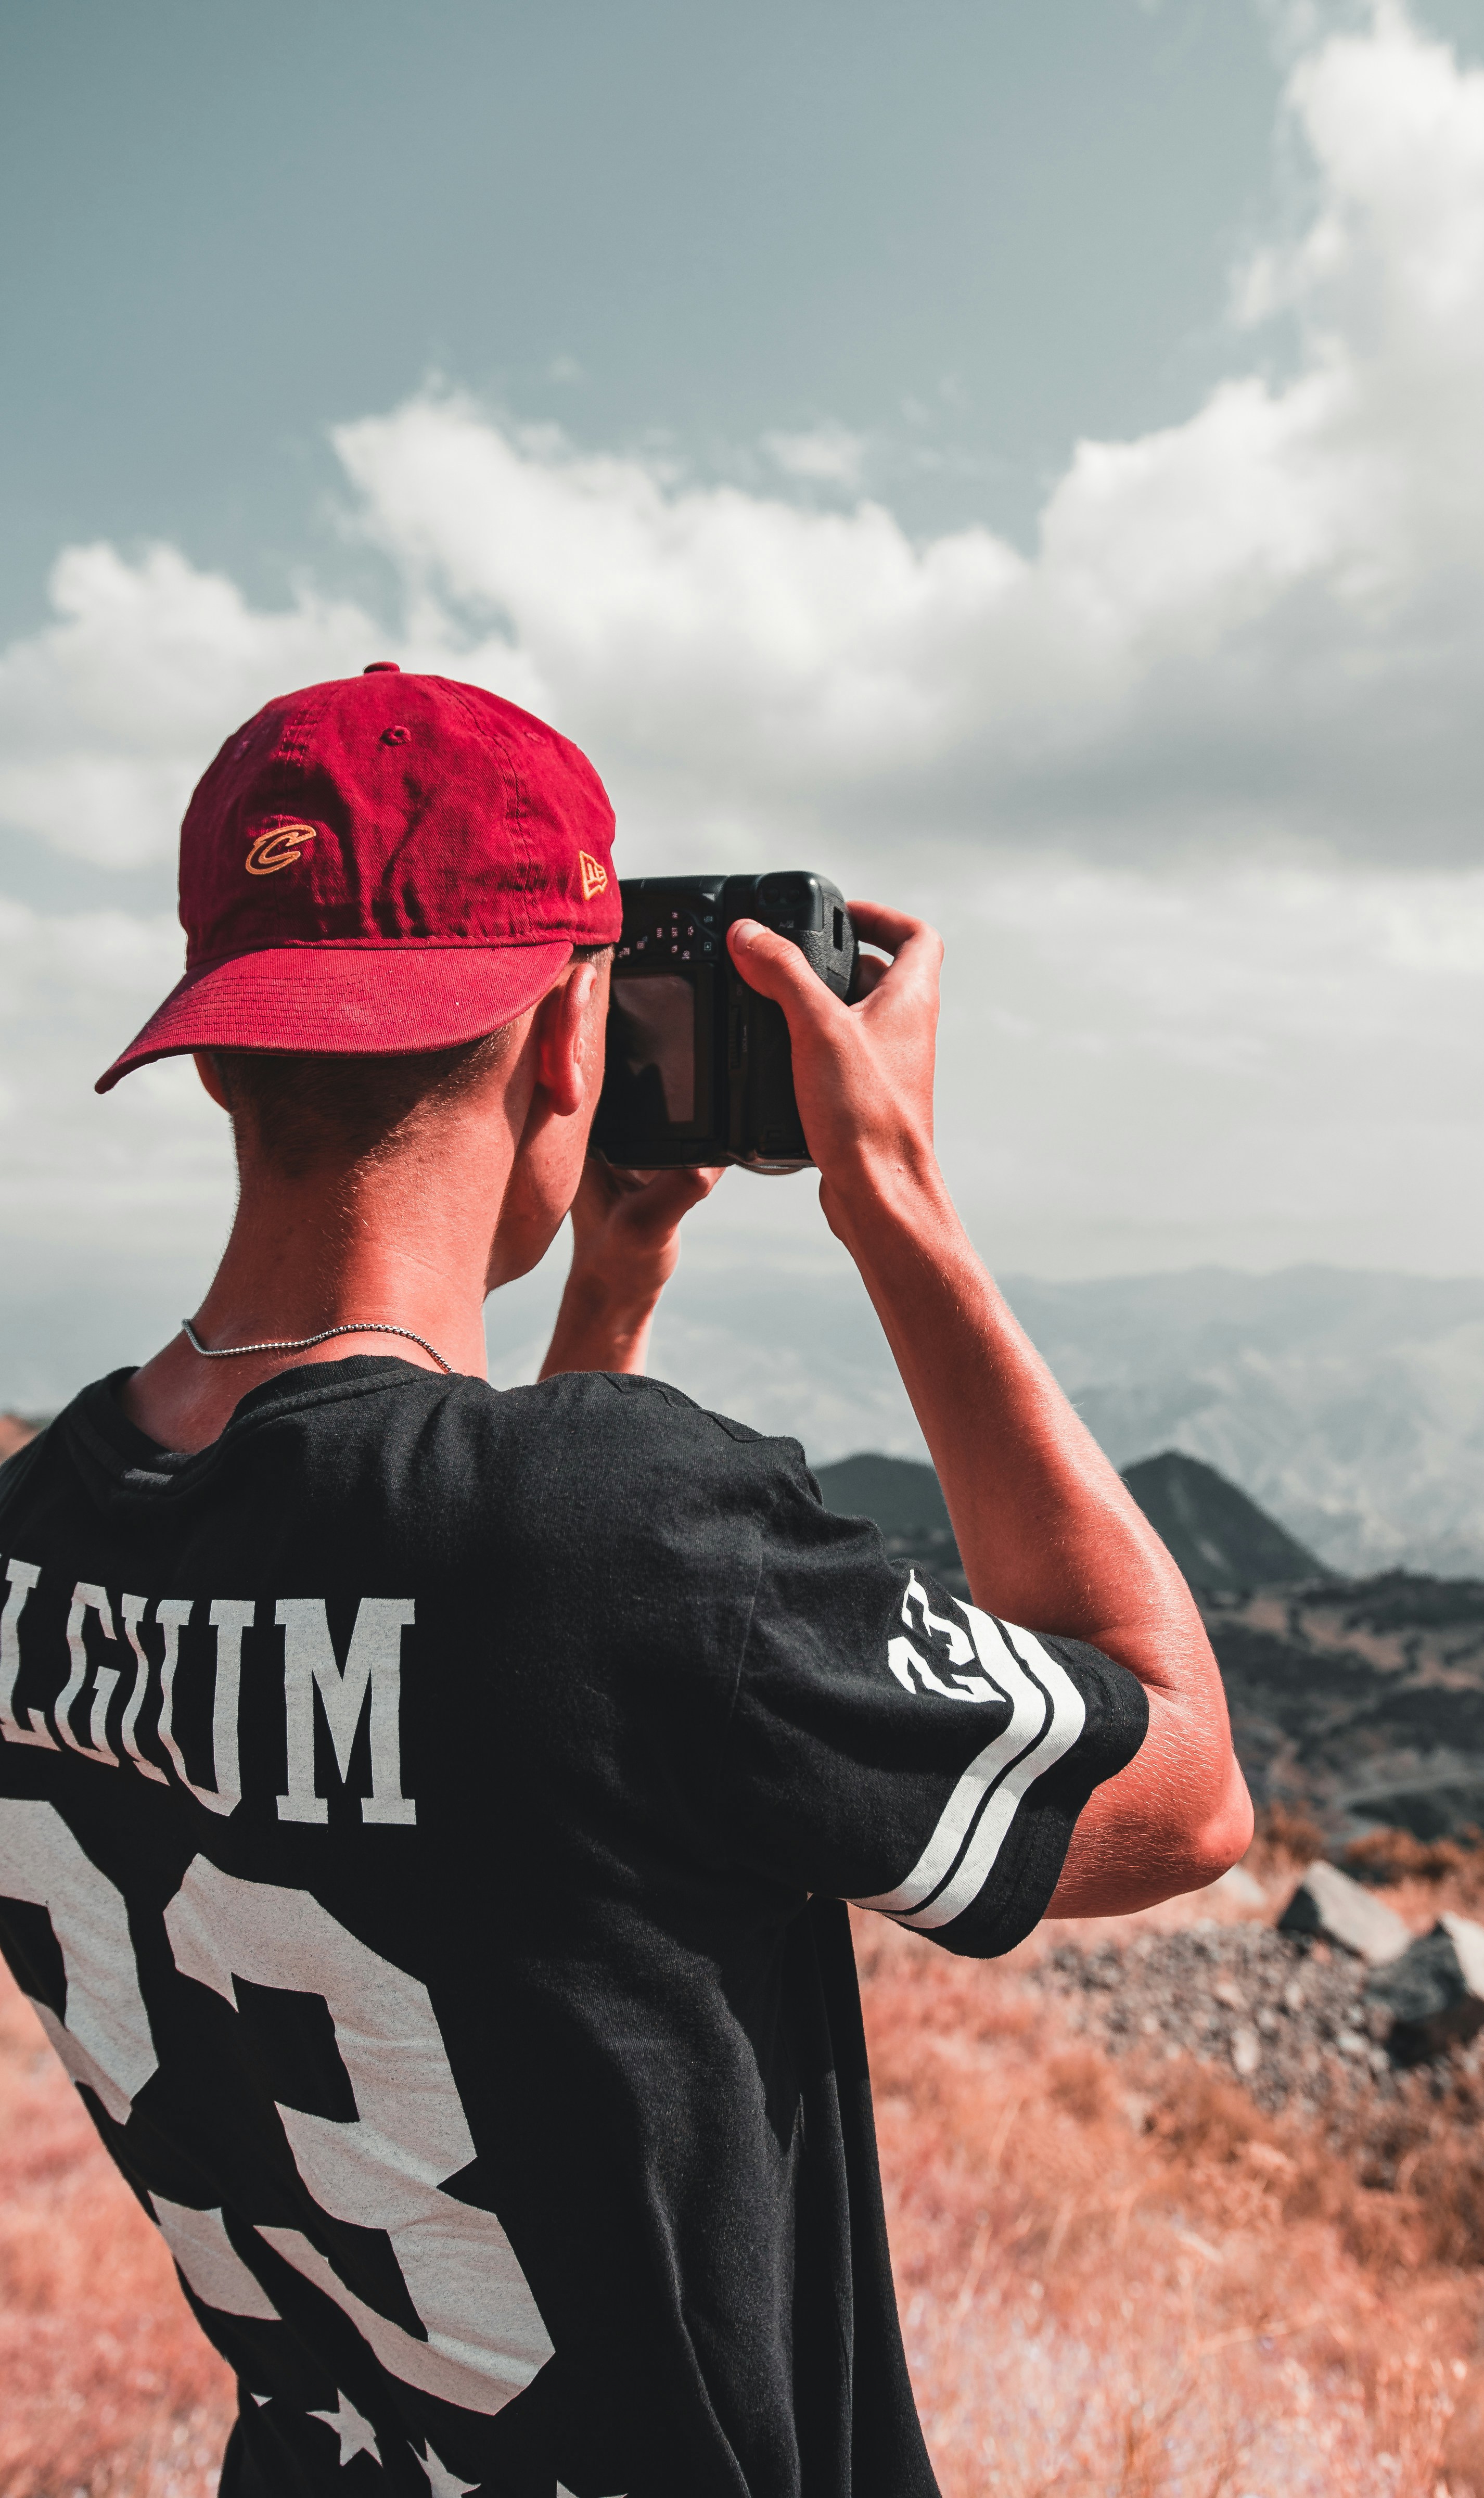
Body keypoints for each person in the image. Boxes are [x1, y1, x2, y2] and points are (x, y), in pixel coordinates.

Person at [0, 666, 1251, 2498]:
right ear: (573, 1039)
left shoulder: (41, 1538)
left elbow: (496, 1737)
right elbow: (1187, 1789)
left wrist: (609, 1292)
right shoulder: (628, 1534)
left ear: (219, 1043)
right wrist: (889, 1187)